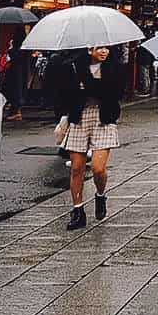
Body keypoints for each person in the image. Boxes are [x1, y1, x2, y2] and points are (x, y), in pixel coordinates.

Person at [61, 46, 124, 229]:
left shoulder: (115, 67)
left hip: (104, 118)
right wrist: (82, 87)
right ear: (90, 49)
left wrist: (88, 84)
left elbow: (115, 93)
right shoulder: (74, 66)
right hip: (79, 117)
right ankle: (78, 210)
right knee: (76, 168)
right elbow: (65, 93)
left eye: (106, 47)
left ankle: (100, 194)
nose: (104, 51)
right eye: (99, 48)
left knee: (98, 167)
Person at [2, 34, 29, 121]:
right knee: (17, 90)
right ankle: (16, 111)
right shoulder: (25, 48)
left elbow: (14, 56)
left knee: (15, 90)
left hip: (16, 73)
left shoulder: (18, 50)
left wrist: (10, 48)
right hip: (20, 72)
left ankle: (16, 112)